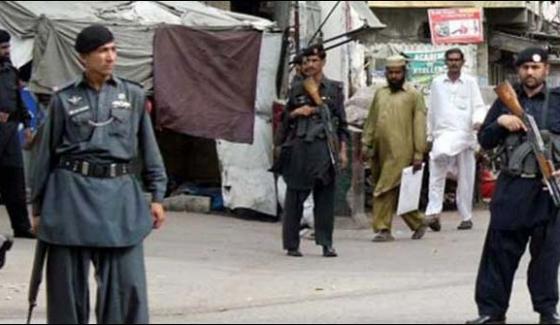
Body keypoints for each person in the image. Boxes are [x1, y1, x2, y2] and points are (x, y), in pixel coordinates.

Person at [30, 25, 167, 324]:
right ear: (83, 58)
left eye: (113, 50)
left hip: (119, 198)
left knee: (126, 288)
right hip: (70, 197)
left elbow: (148, 148)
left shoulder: (132, 95)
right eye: (102, 51)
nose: (110, 57)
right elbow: (44, 157)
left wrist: (157, 195)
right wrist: (37, 208)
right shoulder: (64, 99)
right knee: (67, 291)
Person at [467, 47, 560, 324]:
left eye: (536, 67)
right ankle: (491, 312)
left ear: (546, 70)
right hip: (512, 188)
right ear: (518, 70)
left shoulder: (556, 101)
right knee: (499, 253)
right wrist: (500, 121)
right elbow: (485, 140)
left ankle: (547, 312)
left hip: (546, 191)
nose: (530, 73)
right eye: (524, 68)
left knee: (546, 258)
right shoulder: (505, 101)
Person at [274, 44, 349, 257]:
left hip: (324, 149)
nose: (309, 65)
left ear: (323, 62)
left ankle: (326, 242)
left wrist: (342, 151)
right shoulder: (296, 89)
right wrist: (297, 112)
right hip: (299, 148)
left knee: (325, 199)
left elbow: (342, 125)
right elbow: (285, 119)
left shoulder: (334, 90)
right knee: (294, 197)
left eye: (314, 61)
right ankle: (292, 244)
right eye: (306, 61)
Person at [362, 55, 428, 242]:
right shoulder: (380, 93)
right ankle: (418, 221)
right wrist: (366, 143)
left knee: (384, 187)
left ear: (404, 73)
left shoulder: (414, 95)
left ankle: (383, 229)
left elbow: (419, 124)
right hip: (380, 149)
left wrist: (418, 152)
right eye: (390, 73)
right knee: (393, 188)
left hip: (402, 151)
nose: (394, 76)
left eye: (398, 72)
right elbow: (372, 120)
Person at [425, 48, 487, 231]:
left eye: (456, 60)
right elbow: (432, 111)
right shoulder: (437, 83)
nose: (453, 63)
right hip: (442, 134)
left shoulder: (470, 83)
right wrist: (429, 135)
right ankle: (433, 213)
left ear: (462, 61)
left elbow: (478, 105)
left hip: (464, 135)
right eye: (450, 60)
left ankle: (466, 216)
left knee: (466, 179)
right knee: (436, 175)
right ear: (446, 62)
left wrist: (477, 121)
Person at [0, 29, 34, 239]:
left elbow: (18, 99)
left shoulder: (10, 71)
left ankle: (22, 226)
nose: (7, 51)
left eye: (8, 47)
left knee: (15, 181)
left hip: (10, 132)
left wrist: (27, 124)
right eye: (3, 48)